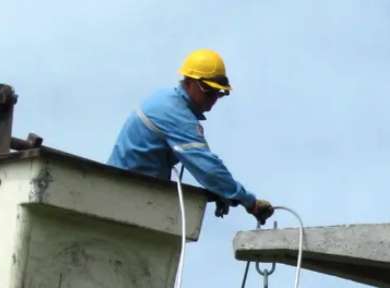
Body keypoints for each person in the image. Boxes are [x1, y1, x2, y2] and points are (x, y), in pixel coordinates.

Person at [109, 49, 273, 225]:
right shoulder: (175, 113)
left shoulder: (166, 100)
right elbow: (209, 169)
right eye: (208, 91)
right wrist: (249, 202)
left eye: (218, 93)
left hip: (132, 190)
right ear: (188, 82)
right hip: (127, 193)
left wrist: (221, 190)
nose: (213, 98)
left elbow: (206, 166)